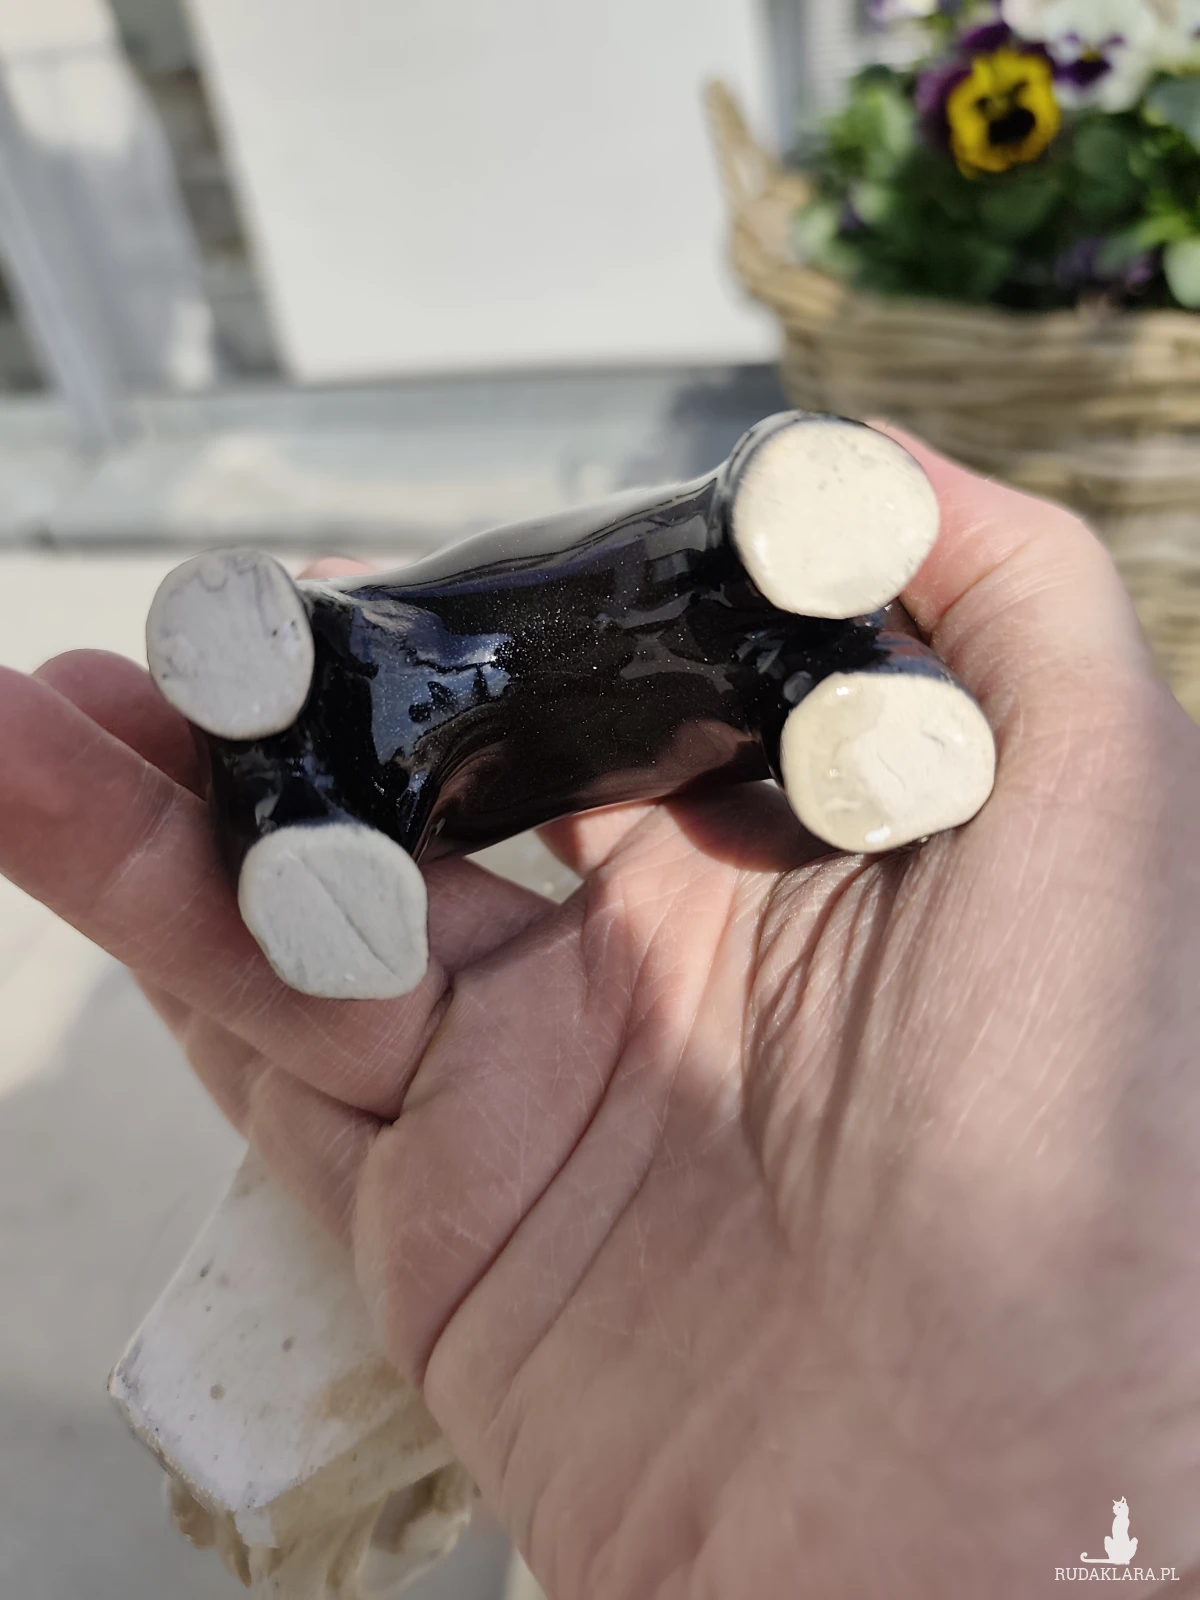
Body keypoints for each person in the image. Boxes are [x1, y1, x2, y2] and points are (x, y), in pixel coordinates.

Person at [1, 430, 1197, 1597]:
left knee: (459, 672)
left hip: (695, 630)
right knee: (385, 671)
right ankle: (309, 795)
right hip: (440, 656)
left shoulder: (790, 589)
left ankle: (312, 810)